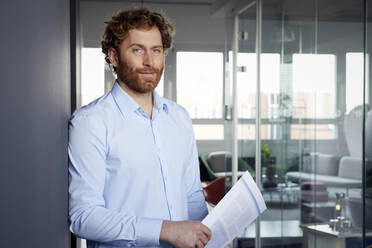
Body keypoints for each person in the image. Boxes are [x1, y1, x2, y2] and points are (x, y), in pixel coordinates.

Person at [68, 7, 211, 248]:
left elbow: (192, 197)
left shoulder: (180, 118)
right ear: (113, 57)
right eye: (137, 50)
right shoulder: (90, 122)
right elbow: (84, 217)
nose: (149, 61)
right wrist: (166, 230)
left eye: (156, 50)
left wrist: (211, 232)